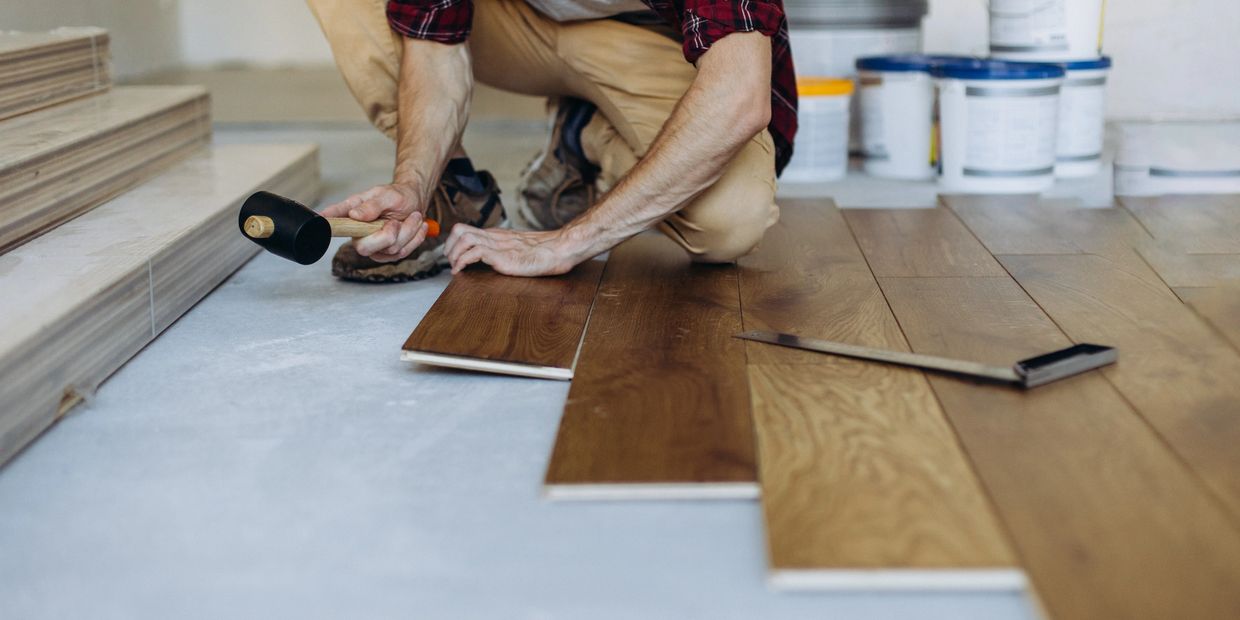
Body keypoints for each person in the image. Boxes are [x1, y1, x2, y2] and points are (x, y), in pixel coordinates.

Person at [307, 0, 797, 281]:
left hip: (651, 40)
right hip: (511, 23)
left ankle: (584, 133)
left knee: (728, 222)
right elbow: (434, 44)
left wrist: (568, 243)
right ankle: (454, 195)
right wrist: (412, 184)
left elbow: (737, 93)